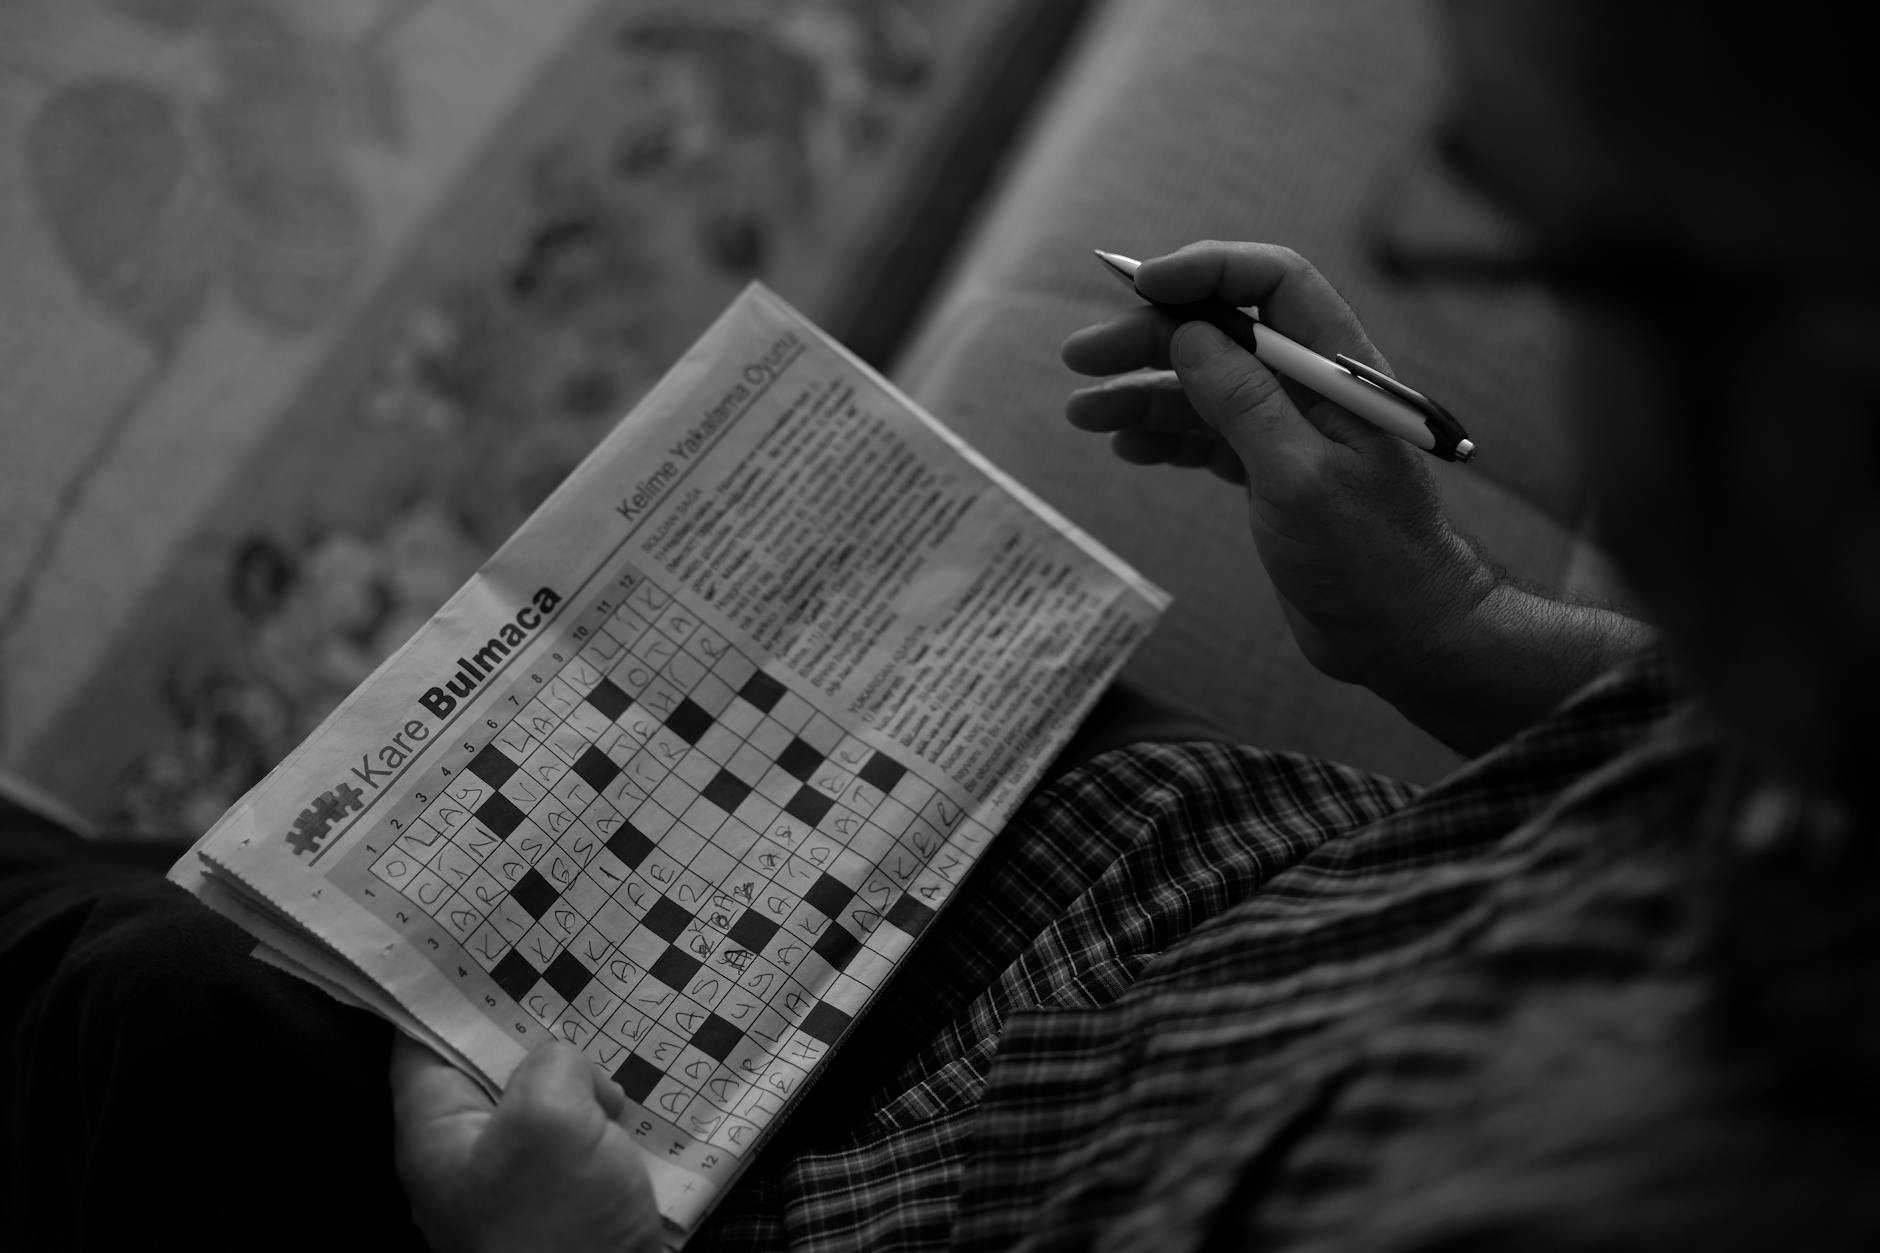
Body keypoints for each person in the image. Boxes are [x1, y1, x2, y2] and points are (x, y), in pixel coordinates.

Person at [6, 1, 1877, 1248]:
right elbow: (1720, 747)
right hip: (1134, 885)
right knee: (234, 904)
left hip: (850, 1195)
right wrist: (1453, 628)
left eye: (1536, 237)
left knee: (166, 1020)